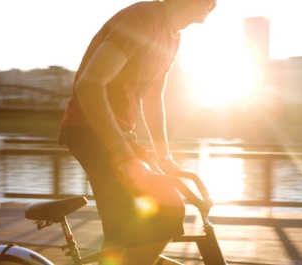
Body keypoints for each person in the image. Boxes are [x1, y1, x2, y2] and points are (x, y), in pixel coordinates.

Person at [58, 0, 216, 264]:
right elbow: (90, 84)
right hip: (89, 128)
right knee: (167, 210)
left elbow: (154, 99)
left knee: (125, 230)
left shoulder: (173, 37)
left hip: (115, 131)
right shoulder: (141, 20)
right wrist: (125, 156)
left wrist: (164, 157)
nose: (213, 4)